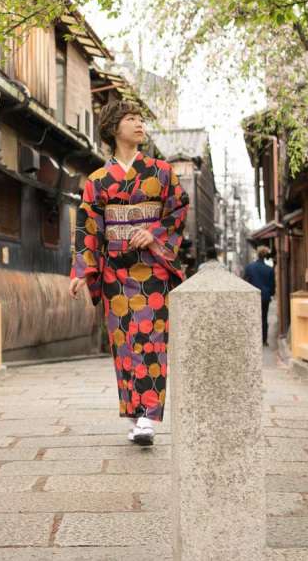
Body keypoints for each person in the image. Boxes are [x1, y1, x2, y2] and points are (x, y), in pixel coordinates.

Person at [69, 101, 189, 446]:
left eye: (140, 119)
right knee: (124, 343)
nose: (139, 125)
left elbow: (179, 208)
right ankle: (137, 414)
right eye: (131, 119)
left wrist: (154, 233)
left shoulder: (161, 171)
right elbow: (88, 226)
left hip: (151, 270)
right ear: (113, 129)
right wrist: (82, 267)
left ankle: (148, 417)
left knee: (151, 341)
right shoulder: (98, 181)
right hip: (115, 274)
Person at [244, 246, 275, 345]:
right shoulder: (269, 269)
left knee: (252, 318)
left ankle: (253, 339)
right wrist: (270, 293)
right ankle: (264, 340)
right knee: (264, 318)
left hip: (252, 297)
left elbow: (245, 282)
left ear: (257, 254)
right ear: (265, 256)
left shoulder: (249, 267)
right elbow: (272, 286)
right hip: (265, 297)